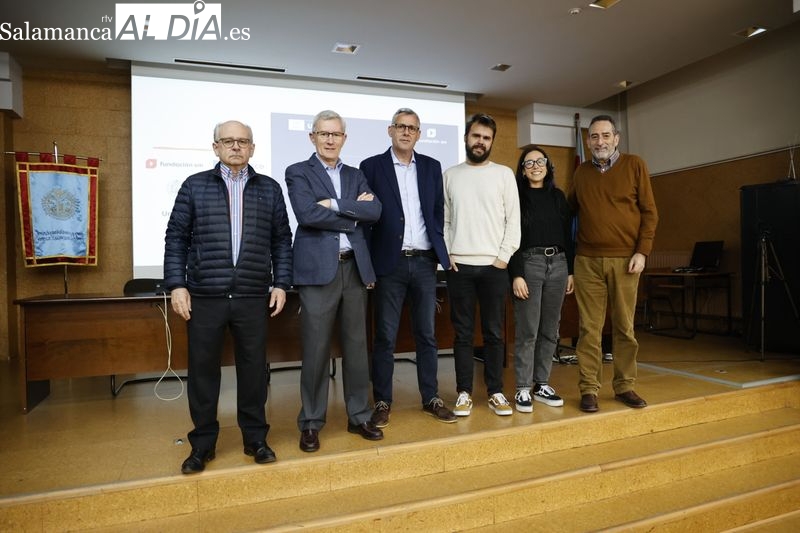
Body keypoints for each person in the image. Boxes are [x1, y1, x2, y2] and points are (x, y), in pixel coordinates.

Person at [164, 120, 293, 475]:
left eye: (243, 142)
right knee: (203, 372)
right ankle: (202, 445)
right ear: (216, 147)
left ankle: (255, 438)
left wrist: (281, 282)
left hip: (253, 295)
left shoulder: (269, 188)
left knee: (253, 371)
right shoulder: (195, 186)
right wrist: (177, 284)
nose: (236, 147)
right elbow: (176, 237)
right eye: (228, 141)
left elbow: (282, 240)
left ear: (252, 148)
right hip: (205, 295)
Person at [285, 109, 383, 453]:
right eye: (323, 134)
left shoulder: (356, 175)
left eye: (336, 134)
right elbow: (307, 214)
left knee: (357, 349)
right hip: (317, 273)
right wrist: (351, 215)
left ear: (344, 139)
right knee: (315, 350)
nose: (330, 139)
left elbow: (376, 211)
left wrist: (335, 204)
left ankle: (359, 416)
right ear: (313, 137)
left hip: (354, 270)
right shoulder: (298, 172)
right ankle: (311, 422)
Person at [360, 108, 456, 427]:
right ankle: (383, 400)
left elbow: (437, 213)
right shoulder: (371, 167)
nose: (406, 132)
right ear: (390, 130)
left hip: (425, 262)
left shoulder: (431, 167)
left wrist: (442, 250)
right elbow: (366, 219)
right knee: (385, 336)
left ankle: (431, 397)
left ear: (419, 133)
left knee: (426, 334)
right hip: (390, 263)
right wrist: (368, 267)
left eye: (412, 128)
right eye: (400, 126)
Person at [568, 114, 658, 413]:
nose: (600, 142)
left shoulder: (635, 165)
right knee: (589, 329)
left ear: (616, 138)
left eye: (606, 135)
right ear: (588, 141)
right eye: (594, 137)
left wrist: (642, 252)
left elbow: (649, 212)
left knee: (624, 327)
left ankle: (624, 386)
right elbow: (568, 212)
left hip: (626, 261)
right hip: (587, 262)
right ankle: (589, 389)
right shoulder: (581, 173)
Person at [443, 113, 520, 417]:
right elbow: (446, 220)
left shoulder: (503, 175)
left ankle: (496, 391)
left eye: (486, 138)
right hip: (459, 266)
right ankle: (464, 392)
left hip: (494, 267)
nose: (480, 142)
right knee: (462, 333)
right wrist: (447, 253)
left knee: (494, 333)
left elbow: (513, 221)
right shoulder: (450, 175)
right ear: (466, 138)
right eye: (476, 136)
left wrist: (502, 259)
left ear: (491, 142)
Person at [508, 145, 574, 413]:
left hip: (558, 264)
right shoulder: (515, 197)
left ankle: (541, 384)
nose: (535, 166)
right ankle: (523, 388)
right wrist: (517, 274)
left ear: (548, 166)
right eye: (528, 163)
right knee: (528, 330)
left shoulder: (558, 197)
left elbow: (568, 235)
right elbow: (510, 239)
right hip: (529, 264)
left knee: (551, 329)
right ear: (522, 170)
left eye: (540, 161)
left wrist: (570, 269)